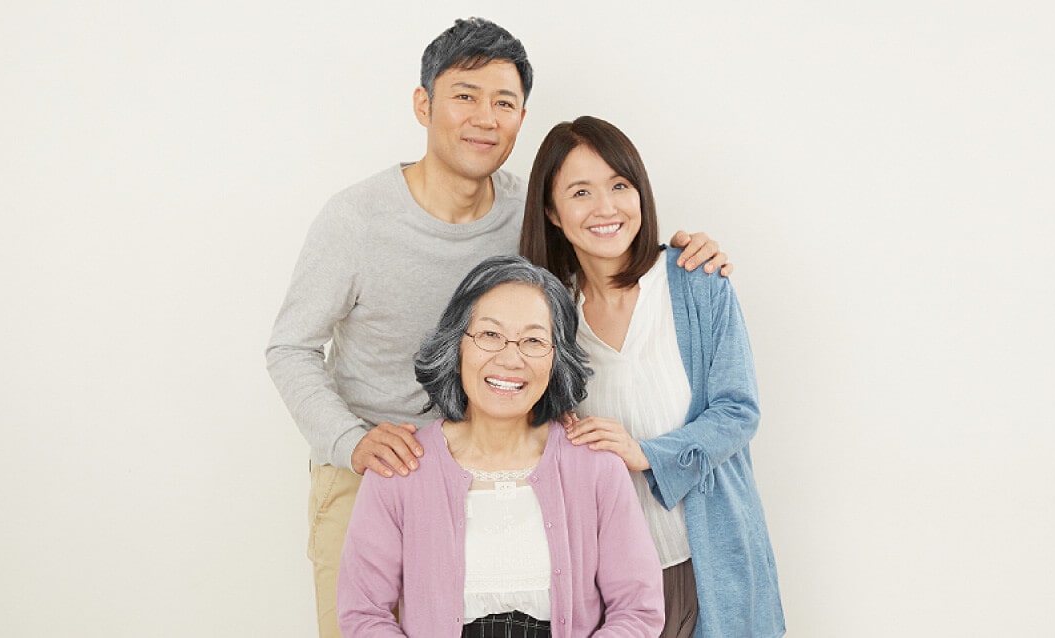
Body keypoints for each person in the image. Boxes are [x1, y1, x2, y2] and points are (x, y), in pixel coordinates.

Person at [266, 18, 729, 637]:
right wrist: (352, 440)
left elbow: (597, 262)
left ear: (521, 118)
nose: (485, 117)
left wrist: (679, 257)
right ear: (423, 104)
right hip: (379, 470)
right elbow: (290, 347)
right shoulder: (356, 220)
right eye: (465, 96)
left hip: (506, 471)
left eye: (504, 102)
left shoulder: (528, 216)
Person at [520, 116, 785, 638]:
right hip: (612, 586)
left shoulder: (696, 282)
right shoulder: (546, 316)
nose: (606, 207)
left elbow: (738, 411)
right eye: (580, 192)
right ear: (551, 211)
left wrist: (647, 454)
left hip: (713, 564)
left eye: (620, 185)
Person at [337, 255, 664, 637]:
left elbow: (638, 611)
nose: (510, 358)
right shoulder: (401, 467)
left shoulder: (596, 466)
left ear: (557, 359)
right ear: (457, 347)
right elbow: (363, 614)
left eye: (534, 341)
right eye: (490, 335)